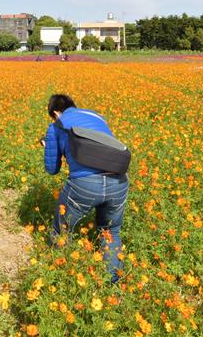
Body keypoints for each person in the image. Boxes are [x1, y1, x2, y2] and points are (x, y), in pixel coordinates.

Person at [41, 94, 128, 282]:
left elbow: (52, 169)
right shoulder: (96, 116)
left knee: (62, 230)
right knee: (110, 231)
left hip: (86, 184)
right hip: (119, 181)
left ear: (55, 112)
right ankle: (112, 284)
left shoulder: (57, 124)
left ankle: (60, 278)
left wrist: (48, 145)